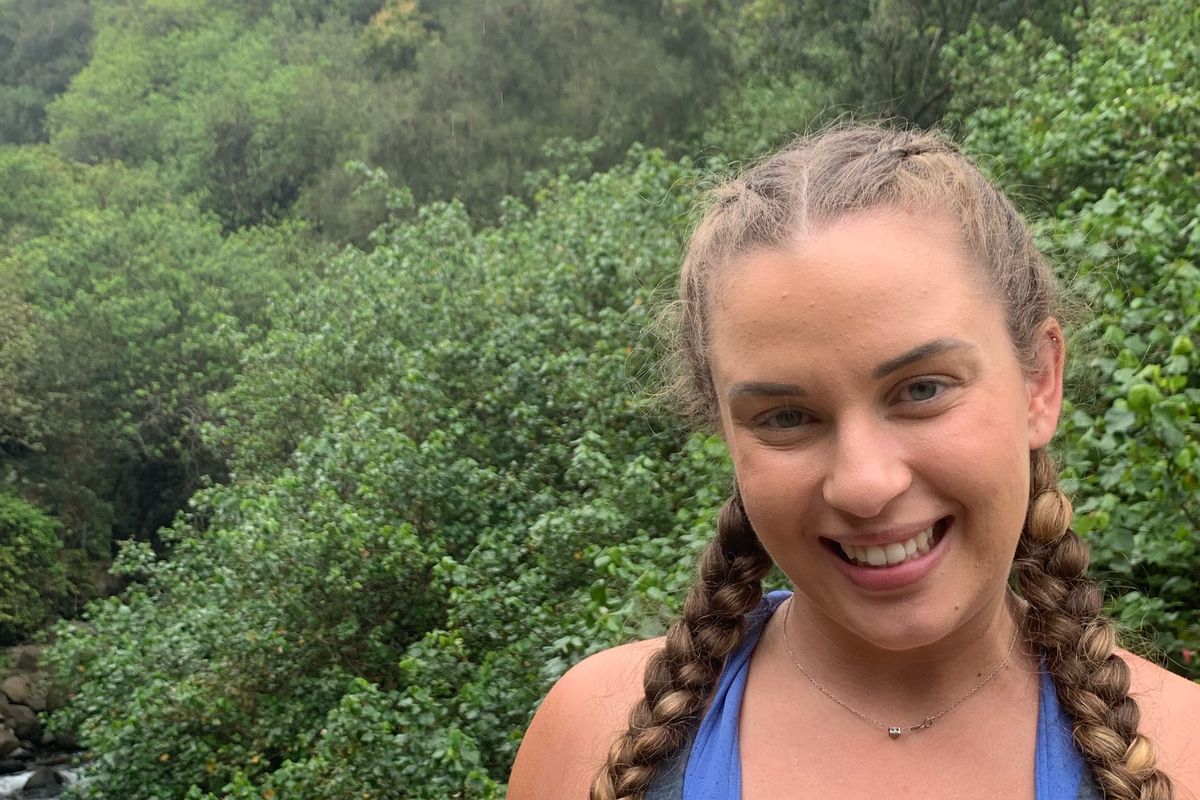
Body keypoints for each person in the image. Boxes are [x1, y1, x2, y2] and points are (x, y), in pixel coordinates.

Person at [507, 124, 1200, 800]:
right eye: (786, 417)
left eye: (922, 390)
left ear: (1039, 382)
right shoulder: (590, 734)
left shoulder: (1185, 751)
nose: (866, 485)